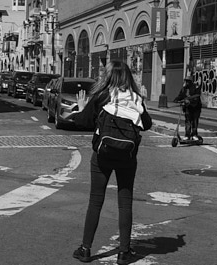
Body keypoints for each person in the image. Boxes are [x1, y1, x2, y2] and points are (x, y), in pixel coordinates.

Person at [72, 61, 152, 265]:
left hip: (102, 155)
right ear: (127, 77)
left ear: (107, 77)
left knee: (95, 201)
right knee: (125, 203)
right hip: (127, 157)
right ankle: (124, 252)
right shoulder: (136, 98)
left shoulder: (102, 97)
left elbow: (83, 121)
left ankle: (85, 249)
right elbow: (147, 125)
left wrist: (82, 108)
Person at [173, 75, 202, 141]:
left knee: (194, 121)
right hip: (188, 108)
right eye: (186, 81)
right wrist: (177, 99)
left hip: (195, 108)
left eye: (188, 81)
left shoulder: (195, 87)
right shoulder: (184, 89)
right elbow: (181, 95)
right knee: (188, 121)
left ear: (191, 82)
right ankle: (187, 135)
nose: (187, 83)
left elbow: (196, 97)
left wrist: (190, 101)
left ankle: (194, 134)